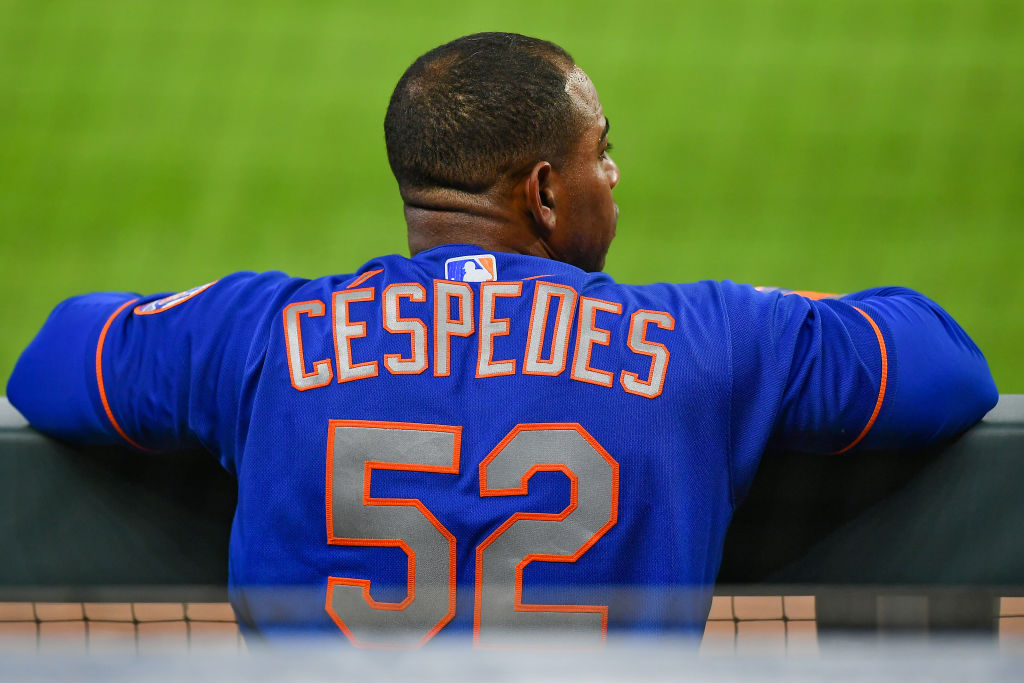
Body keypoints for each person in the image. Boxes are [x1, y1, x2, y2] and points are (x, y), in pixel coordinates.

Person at [6, 32, 997, 647]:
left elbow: (53, 360)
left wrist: (214, 326)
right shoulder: (708, 337)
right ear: (544, 192)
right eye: (601, 151)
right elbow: (945, 363)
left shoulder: (259, 331)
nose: (614, 174)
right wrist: (770, 307)